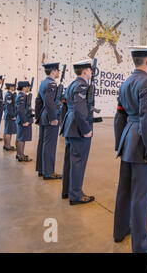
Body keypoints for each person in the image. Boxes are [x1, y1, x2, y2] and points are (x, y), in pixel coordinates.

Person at [113, 46, 147, 253]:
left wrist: (120, 144)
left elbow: (119, 117)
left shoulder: (126, 82)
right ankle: (142, 246)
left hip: (128, 141)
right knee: (141, 198)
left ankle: (120, 230)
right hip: (142, 145)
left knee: (125, 191)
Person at [61, 59, 94, 205]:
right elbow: (80, 110)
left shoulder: (72, 84)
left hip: (70, 124)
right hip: (78, 127)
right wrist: (86, 129)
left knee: (70, 161)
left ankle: (67, 191)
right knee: (78, 162)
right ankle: (76, 195)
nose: (91, 73)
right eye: (90, 70)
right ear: (85, 71)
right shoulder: (81, 85)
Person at [38, 63, 62, 180]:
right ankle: (48, 172)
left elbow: (39, 101)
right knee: (49, 145)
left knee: (43, 143)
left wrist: (38, 117)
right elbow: (49, 102)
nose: (59, 72)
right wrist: (53, 118)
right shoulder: (51, 83)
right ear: (53, 71)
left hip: (44, 115)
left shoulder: (43, 82)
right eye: (58, 70)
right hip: (49, 117)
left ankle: (42, 169)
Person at [15, 81, 33, 162]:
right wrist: (24, 121)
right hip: (23, 120)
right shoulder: (22, 96)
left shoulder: (22, 95)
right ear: (24, 87)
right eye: (28, 87)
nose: (29, 88)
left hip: (23, 119)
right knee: (21, 138)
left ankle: (20, 154)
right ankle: (20, 155)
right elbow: (20, 110)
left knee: (21, 137)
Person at [3, 83, 17, 151]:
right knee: (9, 131)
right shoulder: (9, 95)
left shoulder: (9, 94)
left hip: (7, 114)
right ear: (10, 87)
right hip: (9, 115)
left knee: (7, 130)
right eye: (13, 86)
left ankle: (6, 145)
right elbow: (9, 107)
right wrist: (12, 115)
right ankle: (7, 146)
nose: (14, 87)